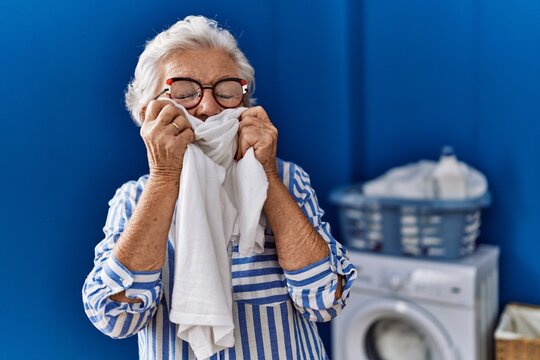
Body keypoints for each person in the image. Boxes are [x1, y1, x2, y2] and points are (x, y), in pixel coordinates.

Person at [82, 15, 356, 360]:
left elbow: (327, 300)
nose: (209, 108)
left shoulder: (287, 180)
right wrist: (166, 177)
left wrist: (266, 174)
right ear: (148, 112)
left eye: (226, 91)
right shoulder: (133, 199)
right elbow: (115, 317)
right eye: (184, 92)